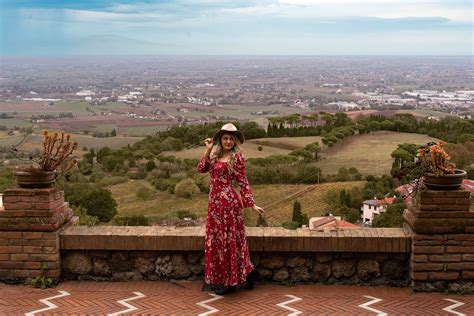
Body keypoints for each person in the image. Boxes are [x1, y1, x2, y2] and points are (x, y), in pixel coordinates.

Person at [197, 123, 264, 295]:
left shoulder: (237, 158)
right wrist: (208, 149)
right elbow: (201, 169)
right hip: (214, 205)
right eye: (225, 138)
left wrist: (251, 203)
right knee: (219, 242)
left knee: (231, 242)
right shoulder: (214, 155)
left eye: (231, 139)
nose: (228, 142)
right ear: (220, 139)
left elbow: (243, 182)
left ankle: (230, 282)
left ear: (235, 141)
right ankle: (246, 275)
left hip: (229, 205)